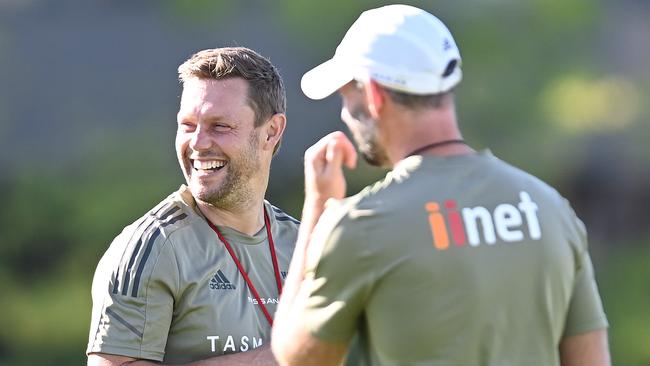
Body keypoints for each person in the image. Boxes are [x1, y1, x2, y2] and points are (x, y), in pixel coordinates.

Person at [272, 4, 610, 366]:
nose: (344, 113)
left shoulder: (361, 225)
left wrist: (318, 208)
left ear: (373, 94)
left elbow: (297, 358)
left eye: (345, 96)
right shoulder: (549, 208)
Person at [86, 47, 299, 365]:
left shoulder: (304, 242)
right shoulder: (151, 248)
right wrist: (278, 358)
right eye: (187, 125)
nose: (198, 143)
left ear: (271, 132)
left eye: (220, 126)